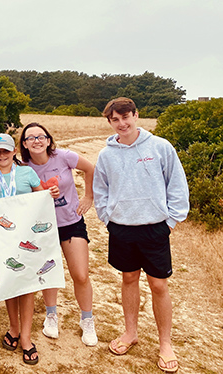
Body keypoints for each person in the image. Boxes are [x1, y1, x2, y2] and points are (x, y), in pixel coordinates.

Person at [93, 97, 189, 373]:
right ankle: (130, 333)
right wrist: (107, 217)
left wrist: (171, 220)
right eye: (115, 119)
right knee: (128, 278)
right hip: (121, 228)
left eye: (126, 117)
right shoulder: (106, 154)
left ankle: (165, 343)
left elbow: (177, 185)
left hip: (155, 227)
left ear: (136, 115)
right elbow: (101, 189)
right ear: (109, 122)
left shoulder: (160, 147)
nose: (122, 123)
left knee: (159, 285)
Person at [20, 122, 98, 346]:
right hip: (43, 227)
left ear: (48, 139)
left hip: (71, 223)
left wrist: (88, 197)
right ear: (24, 144)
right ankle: (51, 315)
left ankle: (87, 319)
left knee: (80, 274)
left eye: (40, 136)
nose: (36, 141)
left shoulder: (63, 156)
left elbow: (90, 168)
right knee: (49, 272)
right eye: (30, 138)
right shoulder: (23, 167)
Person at [0, 134, 58, 365]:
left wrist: (51, 194)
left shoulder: (27, 172)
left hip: (28, 238)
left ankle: (26, 337)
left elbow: (41, 197)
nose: (2, 156)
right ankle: (13, 328)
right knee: (10, 283)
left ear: (13, 151)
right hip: (3, 237)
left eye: (5, 151)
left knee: (27, 284)